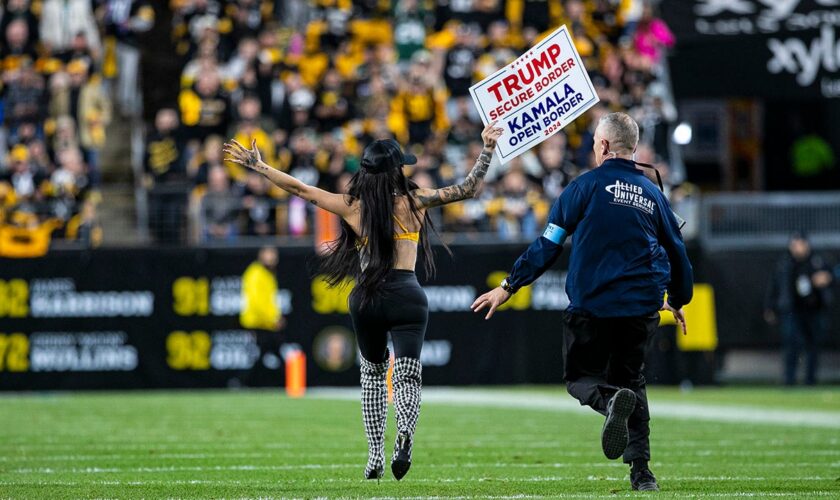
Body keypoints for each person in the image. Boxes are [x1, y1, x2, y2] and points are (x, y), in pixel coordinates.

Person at [225, 121, 504, 480]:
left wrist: (258, 166)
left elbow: (301, 190)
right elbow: (468, 188)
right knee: (407, 377)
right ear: (394, 171)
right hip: (407, 293)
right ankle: (405, 432)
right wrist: (486, 149)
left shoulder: (351, 206)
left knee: (372, 377)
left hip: (367, 297)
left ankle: (374, 455)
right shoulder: (416, 201)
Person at [471, 113, 693, 492]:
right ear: (633, 148)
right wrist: (677, 298)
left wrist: (508, 285)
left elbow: (548, 246)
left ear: (604, 146)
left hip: (592, 306)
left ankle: (609, 404)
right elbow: (678, 253)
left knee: (579, 380)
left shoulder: (583, 188)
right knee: (633, 382)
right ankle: (642, 474)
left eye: (594, 142)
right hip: (640, 309)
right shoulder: (654, 194)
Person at [764, 233, 834, 386]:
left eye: (801, 244)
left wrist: (827, 277)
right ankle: (789, 379)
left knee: (813, 345)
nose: (798, 248)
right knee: (791, 343)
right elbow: (775, 286)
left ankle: (810, 380)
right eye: (795, 244)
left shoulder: (817, 261)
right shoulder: (785, 263)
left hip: (814, 309)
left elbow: (832, 275)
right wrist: (769, 306)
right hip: (791, 310)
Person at [240, 246, 283, 385]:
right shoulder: (256, 273)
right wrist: (273, 318)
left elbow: (269, 300)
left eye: (274, 255)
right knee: (262, 353)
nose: (272, 258)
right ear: (261, 255)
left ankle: (247, 382)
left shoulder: (266, 273)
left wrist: (274, 316)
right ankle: (243, 381)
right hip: (258, 322)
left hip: (265, 322)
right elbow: (258, 301)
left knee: (265, 353)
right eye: (269, 254)